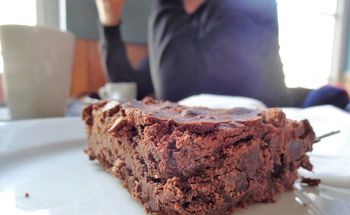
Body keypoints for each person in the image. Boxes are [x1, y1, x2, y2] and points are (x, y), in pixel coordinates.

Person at [95, 0, 349, 108]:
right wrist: (110, 21)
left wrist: (166, 3)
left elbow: (178, 89)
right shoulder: (173, 34)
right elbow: (127, 89)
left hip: (268, 131)